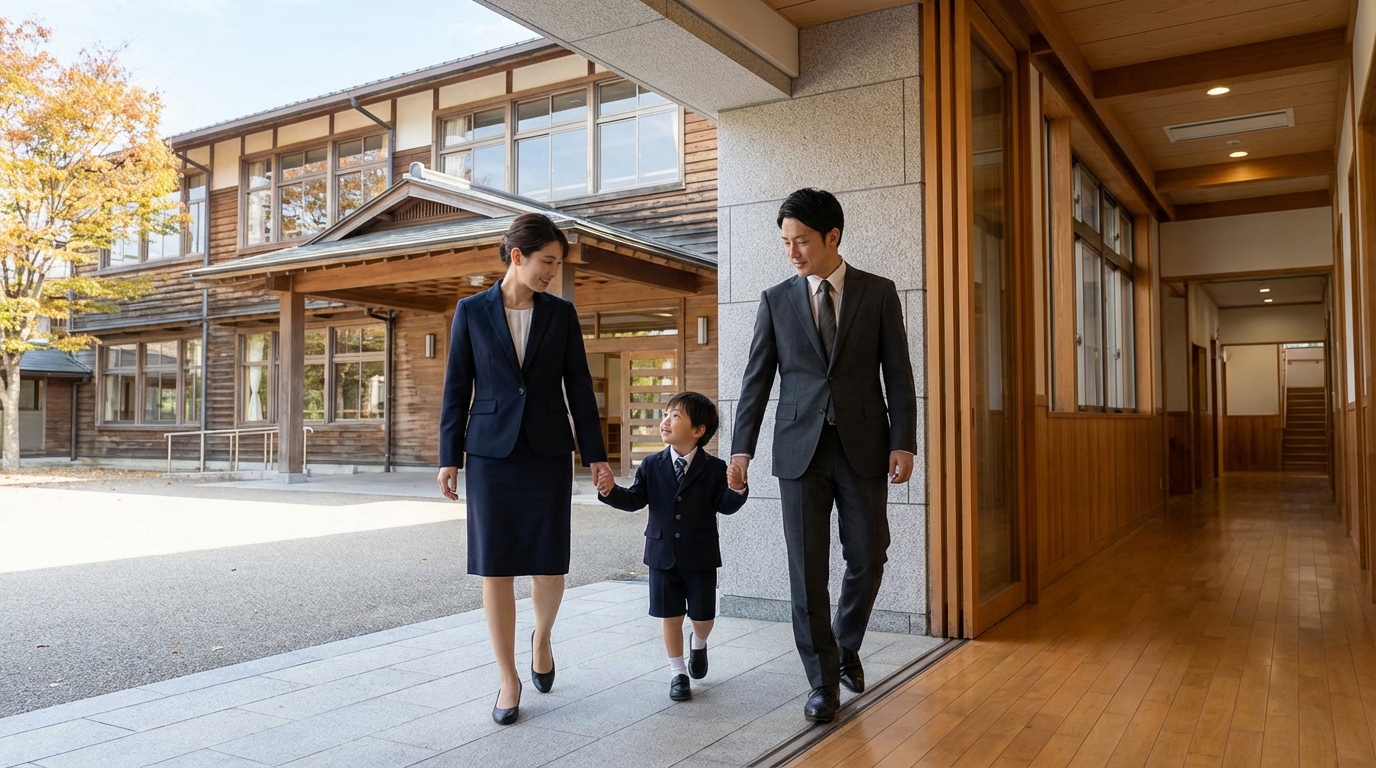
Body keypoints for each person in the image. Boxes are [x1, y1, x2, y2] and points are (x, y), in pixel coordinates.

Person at [730, 188, 917, 723]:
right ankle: (821, 682)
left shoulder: (878, 294)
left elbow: (898, 374)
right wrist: (741, 448)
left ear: (832, 236)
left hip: (864, 446)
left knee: (868, 553)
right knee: (806, 569)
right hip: (798, 452)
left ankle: (845, 645)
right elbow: (756, 381)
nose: (792, 252)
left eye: (802, 241)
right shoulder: (775, 299)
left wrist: (904, 439)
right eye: (785, 242)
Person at [437, 212, 613, 726]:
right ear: (518, 256)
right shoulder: (470, 311)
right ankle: (507, 678)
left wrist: (596, 456)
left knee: (550, 563)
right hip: (490, 454)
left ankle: (542, 636)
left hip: (547, 451)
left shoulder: (560, 315)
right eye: (547, 262)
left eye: (557, 265)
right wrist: (449, 456)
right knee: (495, 566)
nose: (552, 273)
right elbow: (455, 389)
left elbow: (579, 389)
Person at [595, 392, 748, 701]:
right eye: (666, 414)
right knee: (671, 615)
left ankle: (699, 643)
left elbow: (725, 505)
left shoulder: (715, 469)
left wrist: (737, 488)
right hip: (661, 554)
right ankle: (677, 673)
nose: (666, 420)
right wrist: (611, 491)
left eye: (676, 416)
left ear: (698, 431)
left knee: (703, 618)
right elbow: (635, 498)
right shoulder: (652, 465)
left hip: (701, 556)